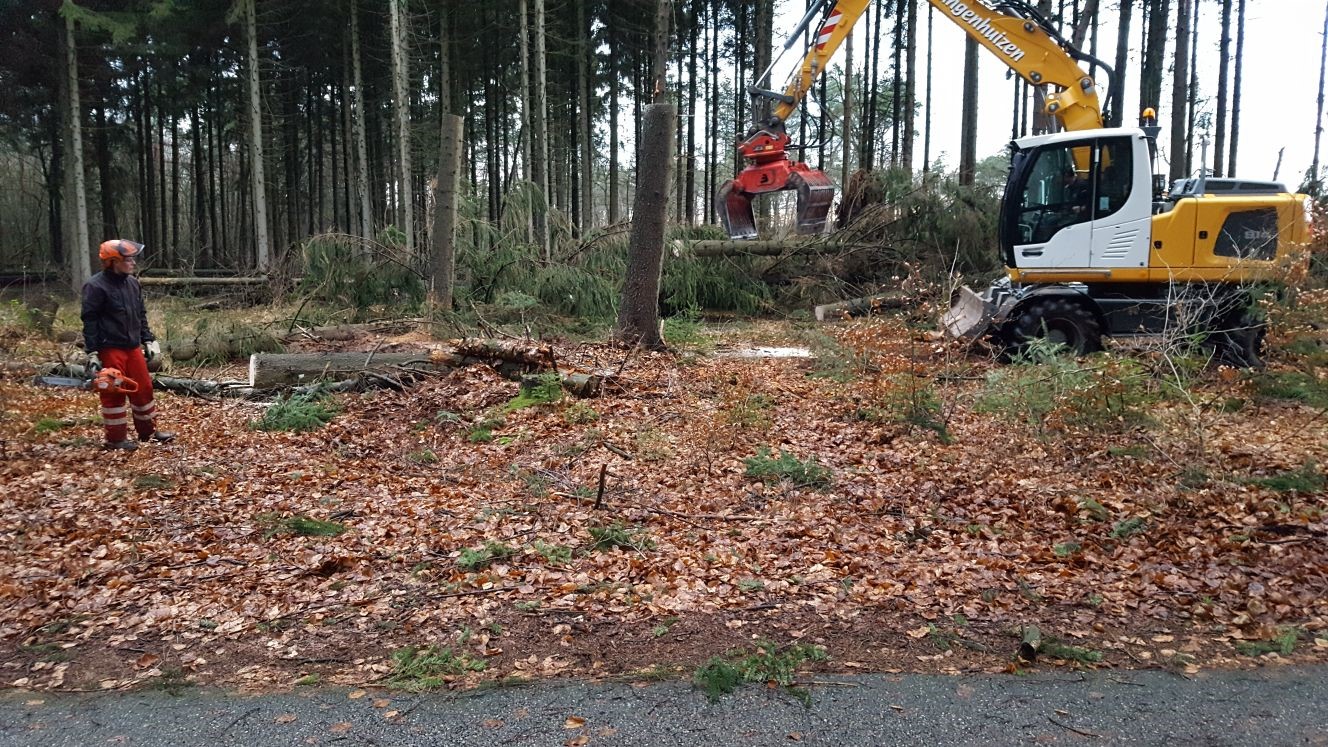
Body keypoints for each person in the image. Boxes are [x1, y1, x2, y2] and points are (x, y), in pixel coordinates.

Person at [81, 239, 175, 450]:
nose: (132, 262)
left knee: (144, 388)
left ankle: (148, 432)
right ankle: (116, 439)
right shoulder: (95, 286)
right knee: (113, 390)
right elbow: (90, 321)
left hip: (132, 346)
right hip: (110, 347)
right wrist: (93, 352)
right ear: (113, 262)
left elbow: (140, 315)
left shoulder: (132, 283)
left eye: (133, 258)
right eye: (128, 259)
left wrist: (148, 339)